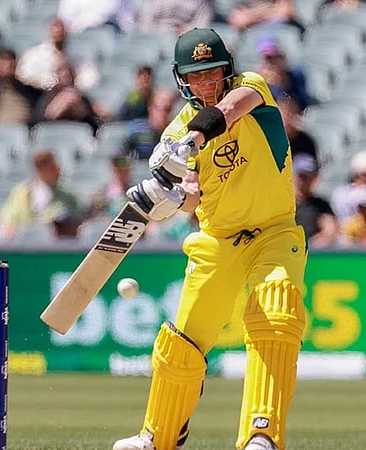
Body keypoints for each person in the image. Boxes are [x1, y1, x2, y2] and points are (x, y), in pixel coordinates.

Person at [115, 28, 307, 450]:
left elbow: (229, 109)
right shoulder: (175, 131)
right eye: (196, 76)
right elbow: (193, 198)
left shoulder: (251, 88)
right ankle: (159, 435)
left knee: (275, 310)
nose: (206, 83)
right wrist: (166, 197)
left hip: (274, 231)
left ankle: (262, 435)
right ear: (182, 79)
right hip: (218, 239)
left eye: (213, 72)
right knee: (182, 341)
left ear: (228, 70)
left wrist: (194, 138)